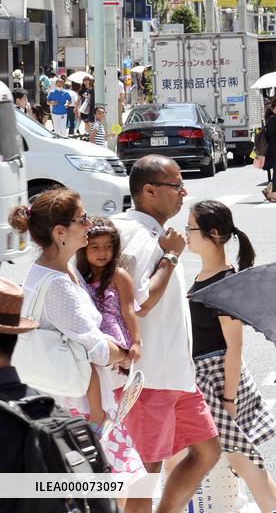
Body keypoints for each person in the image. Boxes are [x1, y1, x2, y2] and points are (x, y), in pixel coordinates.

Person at [8, 191, 144, 484]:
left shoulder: (60, 269)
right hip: (77, 406)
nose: (88, 223)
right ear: (60, 233)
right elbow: (96, 348)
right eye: (82, 219)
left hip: (69, 395)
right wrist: (124, 353)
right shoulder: (58, 283)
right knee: (100, 489)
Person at [113, 155, 222, 513]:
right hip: (151, 379)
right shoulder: (142, 238)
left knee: (208, 450)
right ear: (149, 191)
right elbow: (140, 301)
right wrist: (171, 257)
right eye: (176, 186)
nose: (183, 192)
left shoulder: (145, 233)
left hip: (175, 376)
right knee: (145, 477)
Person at [186, 200, 276, 512]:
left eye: (191, 228)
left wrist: (229, 399)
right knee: (241, 460)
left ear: (213, 234)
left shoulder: (224, 281)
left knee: (245, 460)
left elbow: (234, 347)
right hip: (207, 376)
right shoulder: (206, 275)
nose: (186, 234)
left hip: (218, 376)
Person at [76, 218, 141, 436]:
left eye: (108, 246)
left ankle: (98, 416)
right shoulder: (82, 277)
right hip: (95, 332)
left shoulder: (118, 275)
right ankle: (99, 416)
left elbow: (128, 309)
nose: (102, 252)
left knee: (91, 361)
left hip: (113, 333)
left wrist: (136, 342)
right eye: (94, 247)